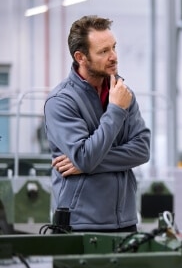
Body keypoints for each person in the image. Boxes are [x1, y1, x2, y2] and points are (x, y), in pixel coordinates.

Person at [44, 15, 151, 232]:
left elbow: (142, 150)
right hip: (80, 223)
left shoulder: (121, 91)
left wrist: (85, 165)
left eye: (113, 47)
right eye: (103, 51)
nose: (113, 57)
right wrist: (116, 110)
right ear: (81, 57)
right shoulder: (61, 101)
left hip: (126, 220)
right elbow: (85, 156)